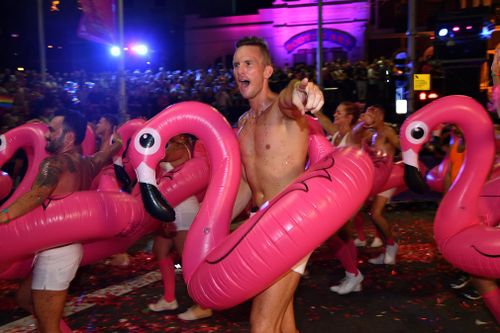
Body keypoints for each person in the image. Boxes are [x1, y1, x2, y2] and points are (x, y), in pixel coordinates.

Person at [0, 110, 122, 333]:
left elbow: (35, 195)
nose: (46, 136)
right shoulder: (87, 163)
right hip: (61, 249)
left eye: (52, 131)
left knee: (48, 326)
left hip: (56, 254)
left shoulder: (54, 164)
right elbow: (104, 155)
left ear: (68, 137)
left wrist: (4, 215)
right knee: (24, 298)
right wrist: (116, 145)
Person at [232, 36, 324, 333]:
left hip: (291, 223)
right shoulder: (243, 124)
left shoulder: (283, 111)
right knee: (283, 323)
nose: (241, 71)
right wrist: (210, 222)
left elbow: (290, 98)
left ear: (267, 71)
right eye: (236, 65)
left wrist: (302, 92)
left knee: (262, 323)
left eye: (249, 64)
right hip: (261, 224)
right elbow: (248, 183)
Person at [148, 134, 212, 320]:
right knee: (160, 250)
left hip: (182, 209)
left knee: (188, 259)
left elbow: (156, 157)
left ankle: (204, 304)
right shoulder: (173, 146)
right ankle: (169, 298)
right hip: (170, 207)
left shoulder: (178, 148)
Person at [316, 102, 365, 294]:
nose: (335, 115)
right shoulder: (336, 134)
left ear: (349, 118)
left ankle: (354, 274)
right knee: (343, 235)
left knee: (333, 234)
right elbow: (325, 121)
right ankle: (353, 276)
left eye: (339, 113)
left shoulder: (352, 135)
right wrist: (312, 108)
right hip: (337, 192)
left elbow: (359, 129)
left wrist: (365, 122)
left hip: (349, 192)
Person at [352, 105, 400, 265]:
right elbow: (353, 137)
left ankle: (392, 246)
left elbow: (403, 147)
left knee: (376, 213)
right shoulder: (369, 134)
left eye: (372, 112)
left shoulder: (388, 131)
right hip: (375, 179)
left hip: (388, 178)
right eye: (367, 113)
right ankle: (387, 248)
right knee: (373, 215)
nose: (369, 116)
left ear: (380, 115)